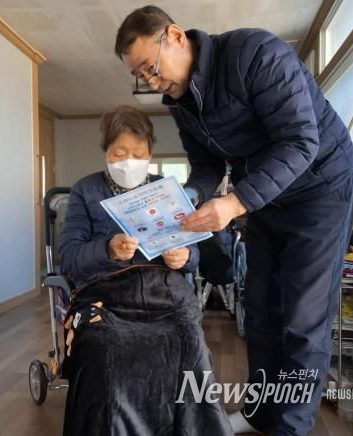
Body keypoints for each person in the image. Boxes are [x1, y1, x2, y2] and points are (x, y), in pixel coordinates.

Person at [115, 7, 353, 435]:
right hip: (265, 196)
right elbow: (206, 163)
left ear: (176, 36)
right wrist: (189, 197)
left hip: (321, 188)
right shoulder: (180, 101)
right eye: (140, 76)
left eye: (151, 68)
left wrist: (234, 202)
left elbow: (301, 141)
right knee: (260, 307)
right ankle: (260, 413)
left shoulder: (257, 53)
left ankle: (291, 427)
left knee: (303, 318)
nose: (152, 82)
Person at [58, 105, 233, 436]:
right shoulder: (86, 190)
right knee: (103, 350)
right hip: (106, 296)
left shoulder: (167, 191)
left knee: (189, 343)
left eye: (138, 154)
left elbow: (194, 252)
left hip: (164, 291)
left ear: (150, 153)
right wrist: (108, 248)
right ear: (105, 152)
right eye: (119, 153)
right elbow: (69, 257)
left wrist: (184, 257)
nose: (129, 161)